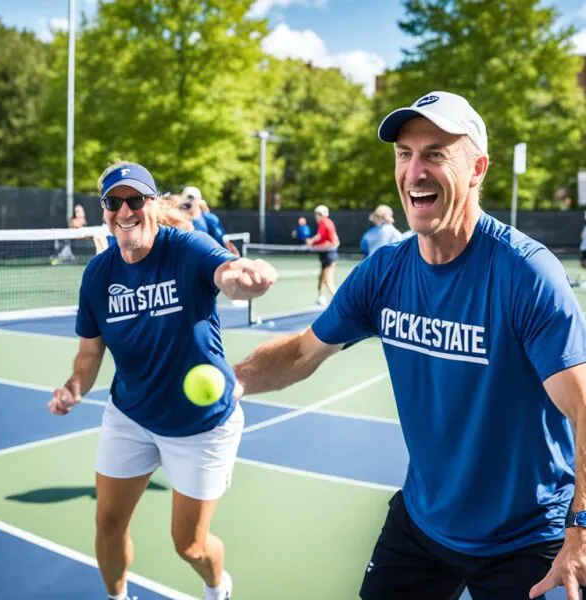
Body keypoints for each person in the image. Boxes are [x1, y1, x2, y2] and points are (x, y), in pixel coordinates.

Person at [232, 91, 586, 599]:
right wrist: (234, 380)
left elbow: (583, 406)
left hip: (527, 539)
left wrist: (582, 527)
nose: (414, 171)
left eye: (436, 154)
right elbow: (301, 353)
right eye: (405, 154)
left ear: (478, 169)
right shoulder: (385, 272)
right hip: (423, 524)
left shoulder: (525, 274)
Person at [48, 161, 276, 600]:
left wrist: (243, 279)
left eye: (135, 200)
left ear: (151, 204)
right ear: (105, 211)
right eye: (114, 202)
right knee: (108, 524)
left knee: (188, 545)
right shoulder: (98, 274)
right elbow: (90, 352)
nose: (125, 210)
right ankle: (117, 597)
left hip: (201, 425)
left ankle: (217, 587)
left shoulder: (186, 248)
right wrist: (74, 387)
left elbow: (226, 273)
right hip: (131, 415)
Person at [306, 204, 339, 306]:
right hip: (325, 256)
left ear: (324, 214)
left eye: (319, 214)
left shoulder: (325, 222)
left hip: (330, 256)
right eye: (316, 214)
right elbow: (321, 237)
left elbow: (332, 242)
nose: (317, 216)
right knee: (321, 279)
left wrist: (312, 245)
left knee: (328, 281)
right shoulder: (324, 223)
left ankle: (341, 301)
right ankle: (321, 298)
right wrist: (312, 242)